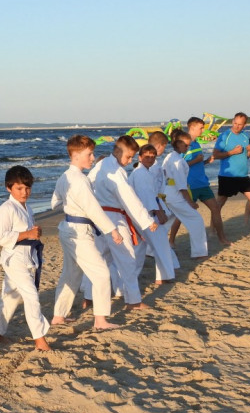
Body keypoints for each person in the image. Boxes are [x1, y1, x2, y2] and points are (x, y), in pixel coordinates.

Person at [51, 135, 123, 330]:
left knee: (71, 273)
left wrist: (70, 205)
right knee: (101, 273)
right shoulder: (80, 180)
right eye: (89, 154)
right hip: (79, 231)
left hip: (68, 228)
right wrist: (112, 230)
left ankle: (59, 316)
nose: (92, 158)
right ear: (76, 155)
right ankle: (100, 320)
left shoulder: (64, 176)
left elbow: (54, 202)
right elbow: (93, 210)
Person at [88, 135, 158, 310]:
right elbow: (129, 198)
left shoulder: (100, 165)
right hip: (114, 218)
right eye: (128, 156)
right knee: (127, 258)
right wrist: (146, 220)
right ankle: (133, 300)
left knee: (99, 258)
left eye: (132, 157)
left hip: (98, 217)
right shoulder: (116, 171)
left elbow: (87, 186)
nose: (130, 161)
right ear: (118, 152)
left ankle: (88, 297)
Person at [0, 166, 51, 351]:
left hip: (26, 256)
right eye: (19, 188)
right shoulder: (6, 209)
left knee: (10, 297)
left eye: (27, 188)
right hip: (14, 258)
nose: (24, 192)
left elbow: (27, 232)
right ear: (9, 188)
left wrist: (34, 233)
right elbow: (1, 237)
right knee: (31, 296)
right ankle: (39, 339)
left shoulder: (27, 208)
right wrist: (27, 234)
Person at [169, 117, 230, 246]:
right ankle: (171, 241)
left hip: (203, 183)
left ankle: (222, 238)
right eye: (201, 128)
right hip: (190, 186)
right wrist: (196, 161)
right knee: (181, 215)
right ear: (192, 128)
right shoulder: (183, 145)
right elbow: (179, 166)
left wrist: (206, 162)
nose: (203, 130)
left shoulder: (196, 143)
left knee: (215, 209)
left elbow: (196, 163)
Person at [212, 112, 250, 236]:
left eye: (240, 124)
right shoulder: (225, 136)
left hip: (243, 176)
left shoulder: (245, 136)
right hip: (228, 176)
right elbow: (215, 155)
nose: (236, 126)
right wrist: (232, 152)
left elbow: (247, 156)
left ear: (245, 125)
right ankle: (212, 229)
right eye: (235, 123)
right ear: (232, 121)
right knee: (219, 204)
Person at [129, 144, 177, 283]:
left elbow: (151, 195)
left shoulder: (145, 172)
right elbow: (147, 196)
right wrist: (158, 212)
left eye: (153, 156)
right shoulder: (140, 173)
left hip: (142, 213)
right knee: (161, 244)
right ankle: (163, 277)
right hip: (146, 214)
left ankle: (130, 277)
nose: (150, 159)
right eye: (147, 156)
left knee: (139, 249)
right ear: (140, 157)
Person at [162, 132, 209, 259]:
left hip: (167, 192)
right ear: (178, 144)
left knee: (167, 221)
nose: (188, 148)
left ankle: (150, 249)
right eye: (186, 145)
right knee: (196, 220)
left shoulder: (170, 156)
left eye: (189, 145)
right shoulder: (177, 161)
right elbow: (181, 186)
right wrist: (190, 202)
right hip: (175, 194)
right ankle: (199, 252)